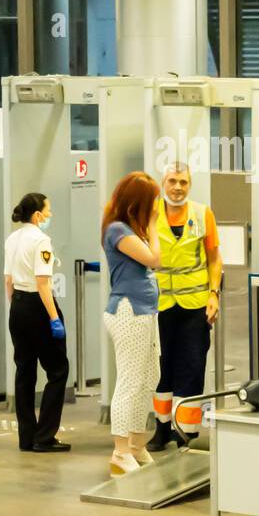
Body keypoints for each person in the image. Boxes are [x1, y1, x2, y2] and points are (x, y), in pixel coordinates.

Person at [147, 163, 222, 452]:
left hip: (195, 305)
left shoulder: (203, 214)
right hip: (160, 305)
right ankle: (161, 428)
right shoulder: (149, 214)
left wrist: (214, 294)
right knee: (161, 369)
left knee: (192, 367)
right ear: (162, 183)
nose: (177, 187)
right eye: (172, 181)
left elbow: (214, 258)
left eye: (183, 182)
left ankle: (186, 431)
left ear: (189, 185)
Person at [100, 172, 163, 477]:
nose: (156, 207)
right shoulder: (117, 230)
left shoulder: (130, 229)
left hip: (145, 311)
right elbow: (154, 259)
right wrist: (152, 224)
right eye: (152, 202)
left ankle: (137, 445)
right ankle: (120, 451)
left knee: (150, 376)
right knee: (129, 380)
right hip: (127, 312)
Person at [4, 193, 70, 454]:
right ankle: (45, 436)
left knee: (25, 373)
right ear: (37, 215)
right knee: (57, 371)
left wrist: (16, 308)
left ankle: (26, 437)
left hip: (18, 306)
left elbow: (8, 281)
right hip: (39, 307)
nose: (50, 215)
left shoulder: (12, 239)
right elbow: (43, 284)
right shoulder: (42, 241)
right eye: (48, 210)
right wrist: (54, 318)